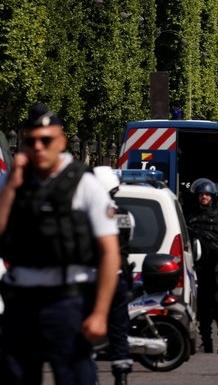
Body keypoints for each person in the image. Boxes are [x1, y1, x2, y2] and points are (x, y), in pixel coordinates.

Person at [0, 103, 121, 385]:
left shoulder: (83, 183)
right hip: (21, 302)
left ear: (62, 141)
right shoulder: (12, 183)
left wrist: (100, 313)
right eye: (31, 141)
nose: (39, 147)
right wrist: (12, 186)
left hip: (67, 301)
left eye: (47, 140)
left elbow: (109, 252)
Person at [93, 166, 135, 385]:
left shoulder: (88, 213)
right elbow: (127, 242)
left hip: (94, 277)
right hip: (118, 276)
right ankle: (122, 376)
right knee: (119, 329)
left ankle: (88, 374)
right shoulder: (124, 215)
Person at [186, 179, 218, 354]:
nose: (204, 197)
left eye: (207, 194)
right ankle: (206, 341)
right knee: (202, 307)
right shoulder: (191, 217)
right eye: (201, 194)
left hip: (216, 267)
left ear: (213, 197)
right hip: (198, 268)